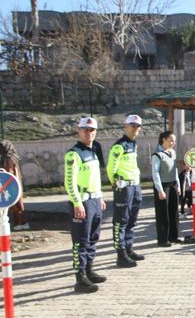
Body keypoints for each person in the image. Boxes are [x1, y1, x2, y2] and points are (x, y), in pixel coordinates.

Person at [64, 117, 107, 293]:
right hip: (82, 202)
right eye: (85, 130)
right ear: (78, 131)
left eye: (92, 130)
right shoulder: (74, 154)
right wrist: (77, 203)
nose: (89, 133)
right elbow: (69, 181)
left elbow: (95, 179)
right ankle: (80, 278)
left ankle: (89, 270)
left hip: (95, 200)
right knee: (80, 241)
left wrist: (101, 197)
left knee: (93, 238)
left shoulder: (93, 151)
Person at [107, 114, 143, 268]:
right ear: (126, 126)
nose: (135, 128)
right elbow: (111, 168)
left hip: (135, 186)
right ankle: (120, 255)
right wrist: (115, 183)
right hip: (124, 187)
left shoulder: (133, 144)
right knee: (121, 221)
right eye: (132, 125)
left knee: (132, 220)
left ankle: (128, 248)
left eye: (138, 126)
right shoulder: (119, 146)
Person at [151, 131, 181, 247]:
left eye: (174, 141)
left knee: (174, 212)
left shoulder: (172, 152)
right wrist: (160, 189)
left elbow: (175, 170)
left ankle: (173, 236)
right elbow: (155, 173)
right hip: (163, 186)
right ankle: (162, 239)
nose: (173, 143)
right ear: (163, 139)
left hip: (173, 184)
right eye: (170, 140)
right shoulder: (157, 154)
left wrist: (177, 185)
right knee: (163, 213)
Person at [0, 140, 30, 230]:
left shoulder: (8, 158)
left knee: (15, 205)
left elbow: (9, 172)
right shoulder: (12, 157)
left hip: (11, 184)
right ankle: (20, 223)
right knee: (17, 204)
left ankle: (21, 223)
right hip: (14, 183)